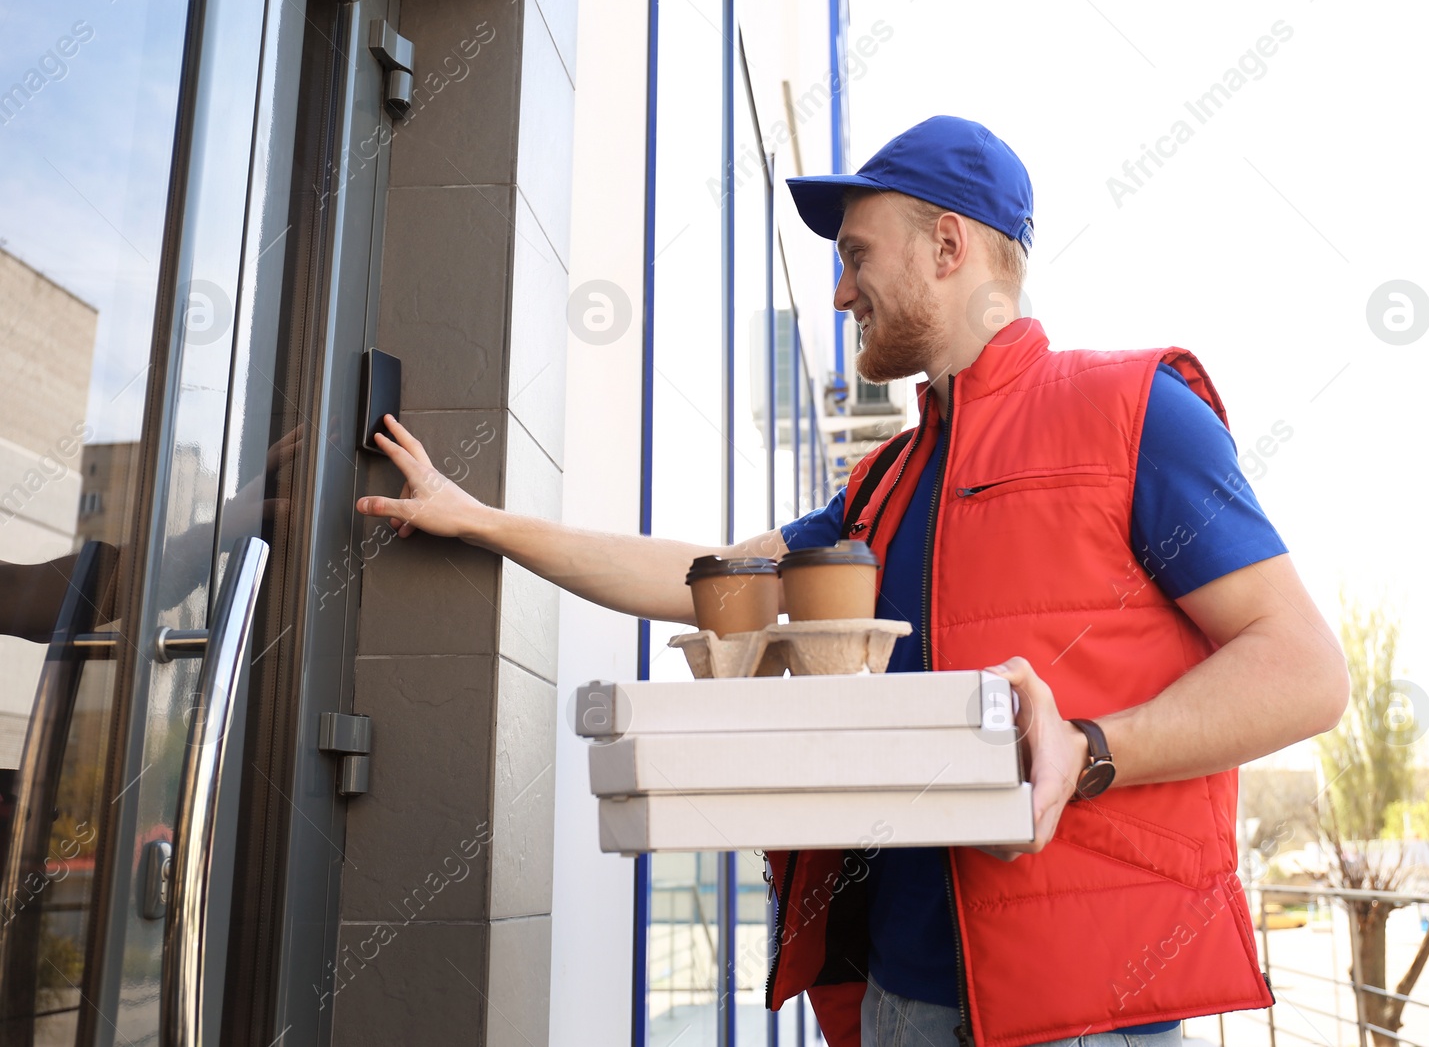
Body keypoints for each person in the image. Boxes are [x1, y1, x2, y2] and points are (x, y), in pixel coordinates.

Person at [356, 115, 1349, 1047]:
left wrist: (1090, 749)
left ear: (947, 246)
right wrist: (481, 519)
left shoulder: (1135, 411)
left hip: (1086, 1005)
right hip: (900, 997)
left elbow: (1303, 669)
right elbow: (703, 578)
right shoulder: (881, 485)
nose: (841, 292)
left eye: (857, 254)